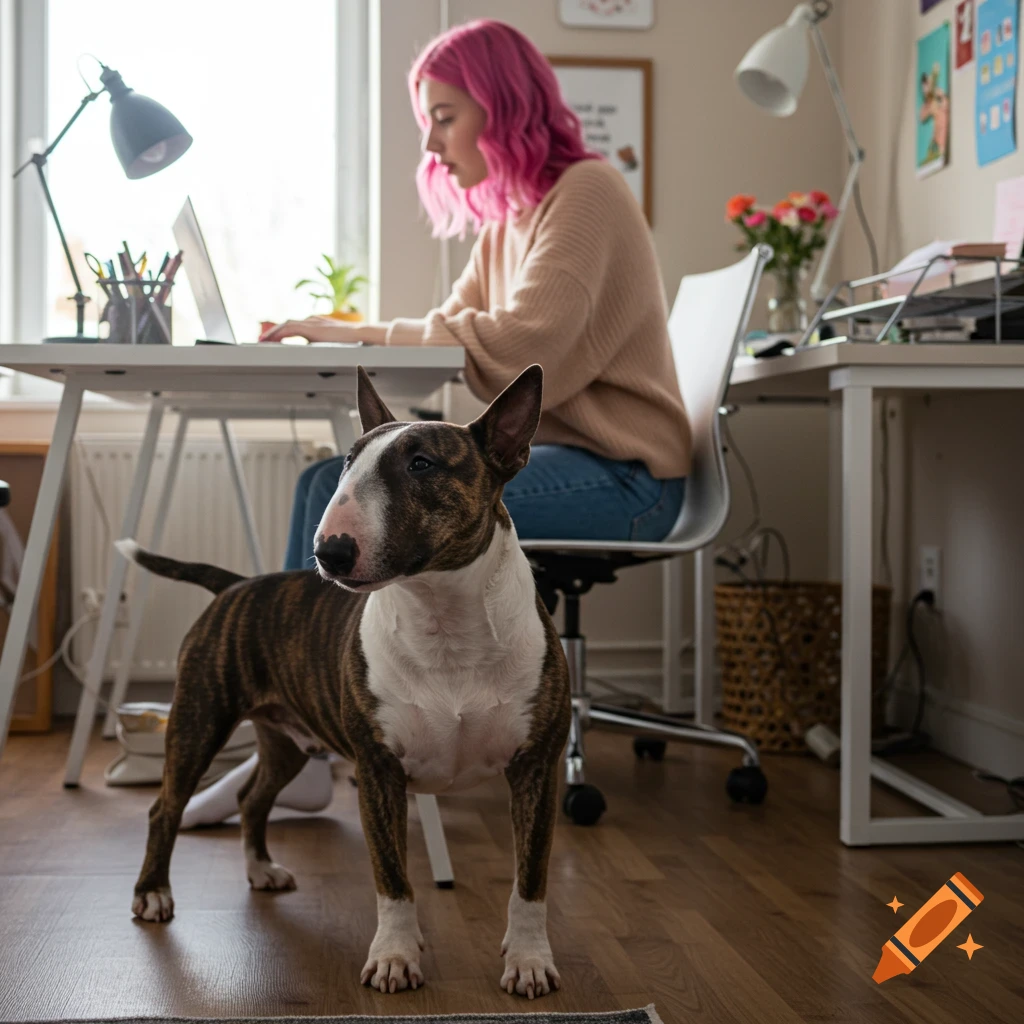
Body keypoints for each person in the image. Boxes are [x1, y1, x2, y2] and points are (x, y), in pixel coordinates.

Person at [185, 19, 691, 827]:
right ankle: (306, 737)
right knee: (328, 481)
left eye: (445, 115)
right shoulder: (508, 219)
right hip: (565, 461)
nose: (431, 140)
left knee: (340, 489)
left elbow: (529, 346)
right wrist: (358, 331)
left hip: (627, 477)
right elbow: (452, 323)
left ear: (504, 105)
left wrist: (354, 334)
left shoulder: (584, 192)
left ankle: (316, 751)